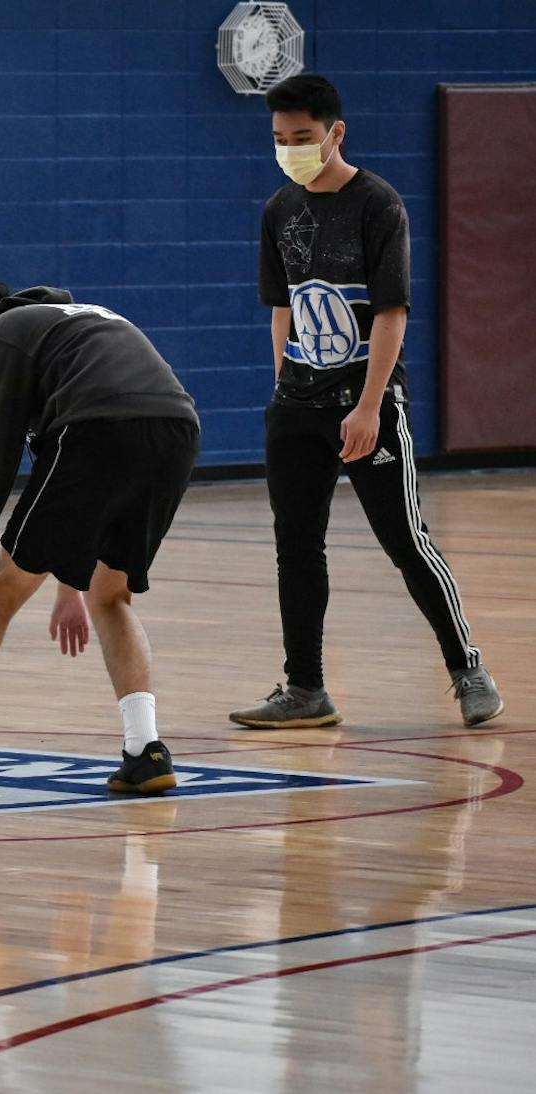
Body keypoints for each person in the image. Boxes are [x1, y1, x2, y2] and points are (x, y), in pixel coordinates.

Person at [229, 73, 502, 730]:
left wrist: (370, 405)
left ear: (335, 133)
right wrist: (282, 391)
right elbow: (282, 310)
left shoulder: (378, 205)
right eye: (279, 139)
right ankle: (305, 688)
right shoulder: (278, 211)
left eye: (303, 137)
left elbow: (391, 312)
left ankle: (468, 668)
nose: (290, 148)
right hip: (296, 408)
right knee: (296, 546)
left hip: (365, 403)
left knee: (405, 539)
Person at [0, 275, 200, 799]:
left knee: (1, 591)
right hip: (176, 430)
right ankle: (146, 751)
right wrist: (69, 587)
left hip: (97, 426)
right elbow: (67, 490)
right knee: (111, 594)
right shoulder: (75, 320)